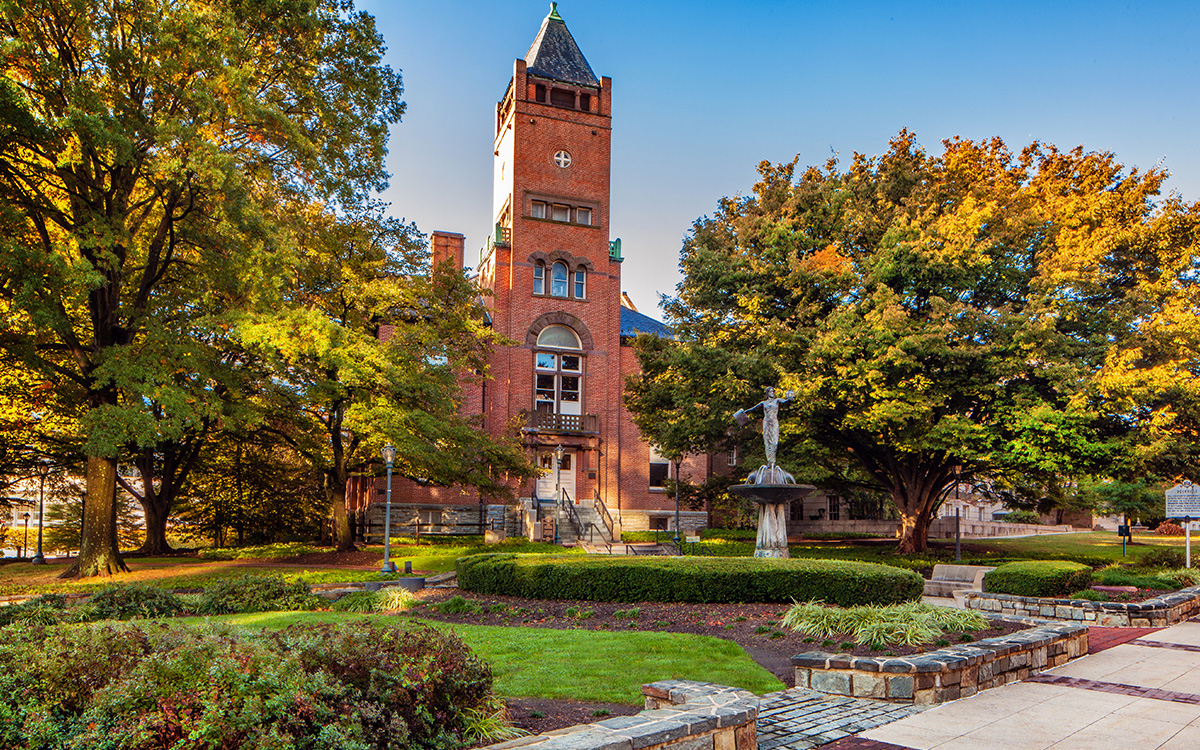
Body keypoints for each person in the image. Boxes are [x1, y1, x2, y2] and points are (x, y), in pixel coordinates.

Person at [734, 387, 794, 466]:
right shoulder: (763, 403)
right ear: (767, 393)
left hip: (774, 422)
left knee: (775, 442)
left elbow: (785, 401)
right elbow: (754, 408)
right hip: (766, 423)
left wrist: (789, 398)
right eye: (770, 391)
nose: (772, 393)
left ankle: (773, 460)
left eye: (773, 391)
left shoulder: (777, 400)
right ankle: (770, 461)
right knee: (767, 442)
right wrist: (745, 412)